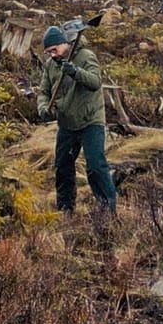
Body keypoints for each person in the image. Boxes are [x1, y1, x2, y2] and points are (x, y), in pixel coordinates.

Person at [37, 25, 116, 214]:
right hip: (67, 123)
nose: (52, 55)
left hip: (90, 120)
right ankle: (65, 209)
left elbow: (95, 83)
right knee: (63, 167)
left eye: (54, 50)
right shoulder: (51, 65)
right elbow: (43, 92)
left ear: (64, 44)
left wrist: (74, 72)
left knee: (96, 167)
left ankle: (108, 209)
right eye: (48, 52)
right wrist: (43, 108)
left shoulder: (85, 56)